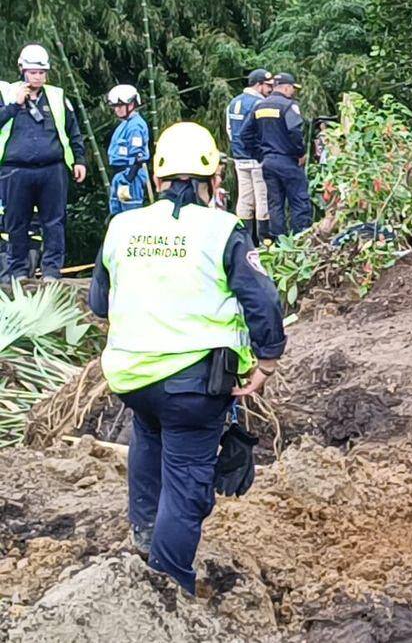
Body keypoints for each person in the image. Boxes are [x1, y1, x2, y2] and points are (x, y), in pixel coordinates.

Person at [87, 121, 285, 596]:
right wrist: (268, 362)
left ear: (157, 180)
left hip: (133, 377)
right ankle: (168, 583)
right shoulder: (222, 229)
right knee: (187, 481)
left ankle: (142, 536)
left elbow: (98, 303)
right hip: (194, 386)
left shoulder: (122, 227)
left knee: (149, 436)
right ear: (215, 180)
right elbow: (263, 302)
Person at [0, 44, 86, 279]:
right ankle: (17, 270)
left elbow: (72, 130)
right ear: (22, 70)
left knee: (54, 221)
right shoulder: (6, 93)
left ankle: (51, 270)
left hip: (52, 169)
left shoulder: (57, 97)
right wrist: (13, 106)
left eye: (41, 72)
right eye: (32, 72)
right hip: (15, 169)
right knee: (16, 222)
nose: (37, 76)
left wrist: (79, 160)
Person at [241, 72, 311, 239]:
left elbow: (245, 134)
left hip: (268, 163)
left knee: (275, 204)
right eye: (292, 89)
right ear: (286, 87)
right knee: (299, 202)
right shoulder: (288, 106)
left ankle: (278, 243)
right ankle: (300, 241)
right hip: (288, 161)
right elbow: (295, 131)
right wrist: (300, 153)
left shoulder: (260, 106)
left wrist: (260, 155)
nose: (293, 92)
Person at [225, 69, 273, 244]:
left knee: (244, 199)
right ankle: (264, 240)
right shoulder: (259, 104)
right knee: (262, 199)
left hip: (239, 158)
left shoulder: (233, 102)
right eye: (268, 85)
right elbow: (261, 132)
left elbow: (230, 131)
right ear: (258, 84)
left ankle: (244, 239)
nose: (270, 89)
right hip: (256, 159)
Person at [106, 85, 151, 215]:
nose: (117, 109)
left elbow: (138, 157)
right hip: (120, 176)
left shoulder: (135, 126)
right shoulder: (125, 124)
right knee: (117, 213)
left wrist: (128, 179)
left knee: (129, 214)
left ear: (131, 104)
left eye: (120, 105)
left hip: (130, 176)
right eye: (115, 106)